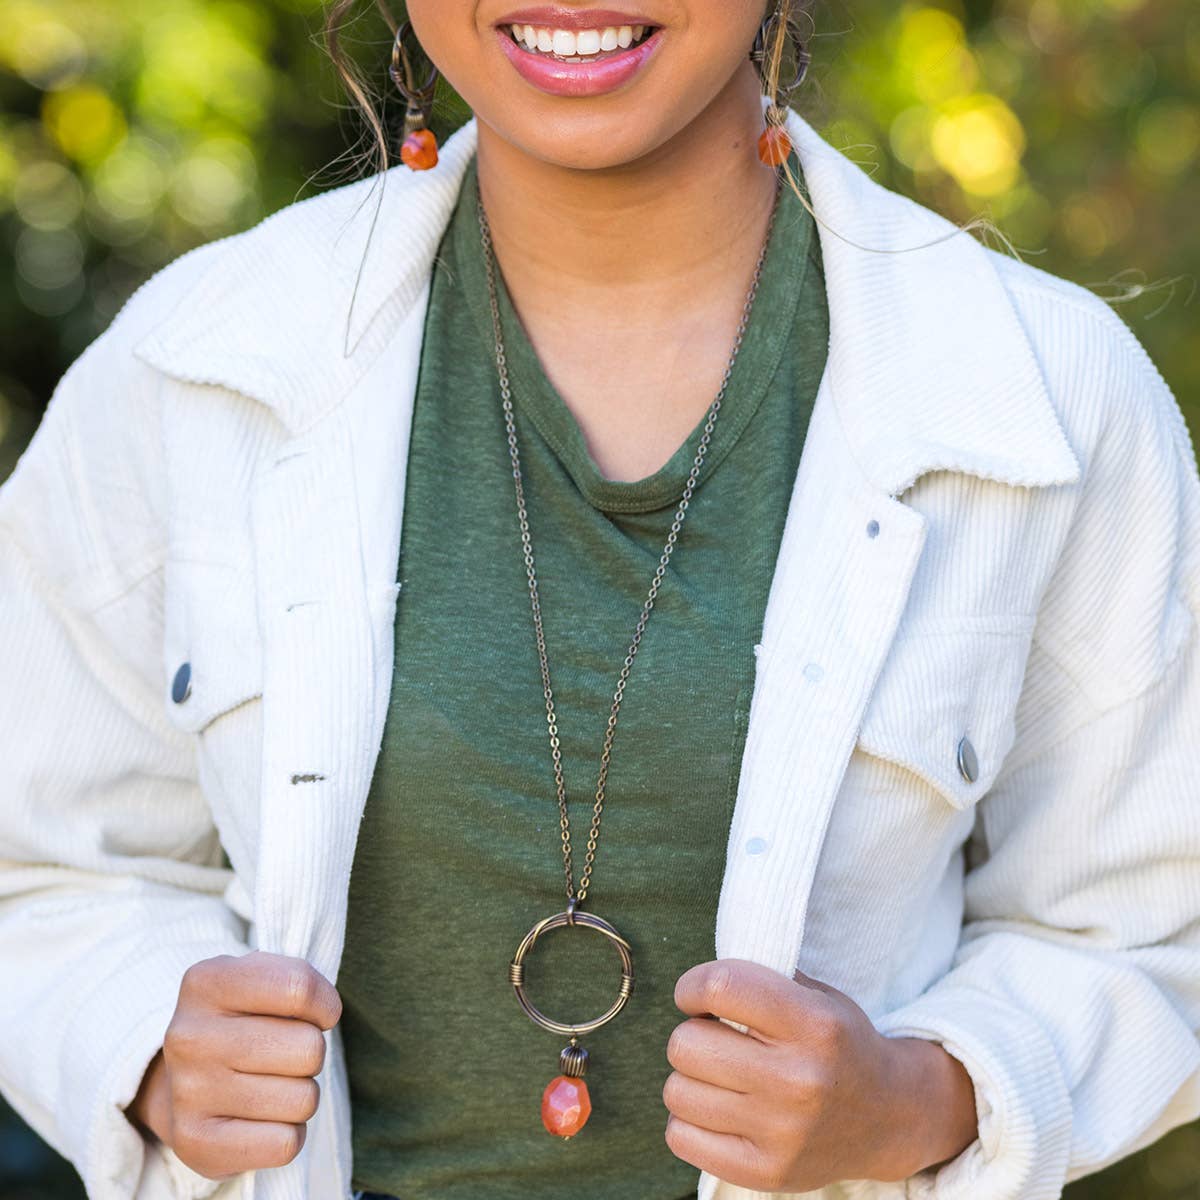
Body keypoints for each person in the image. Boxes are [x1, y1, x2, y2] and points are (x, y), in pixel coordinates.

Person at [1, 2, 1197, 1199]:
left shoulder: (1045, 396)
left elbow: (1158, 933)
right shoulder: (193, 366)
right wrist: (149, 1046)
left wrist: (923, 1097)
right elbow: (40, 869)